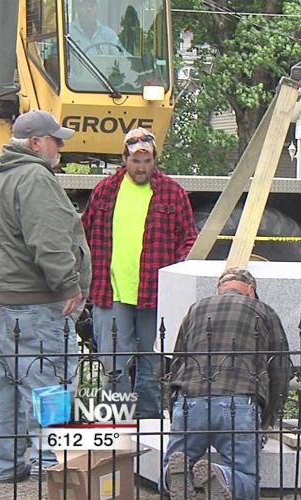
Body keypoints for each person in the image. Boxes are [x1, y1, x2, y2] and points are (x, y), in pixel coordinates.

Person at [0, 110, 90, 482]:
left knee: (5, 382)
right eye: (56, 140)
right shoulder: (35, 176)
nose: (61, 147)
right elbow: (50, 239)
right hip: (32, 300)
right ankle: (49, 464)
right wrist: (69, 284)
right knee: (50, 381)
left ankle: (5, 466)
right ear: (36, 143)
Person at [82, 127, 197, 418]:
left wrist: (178, 273)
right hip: (110, 294)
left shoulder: (172, 192)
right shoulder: (105, 190)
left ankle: (148, 432)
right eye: (136, 160)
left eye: (147, 160)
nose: (141, 166)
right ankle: (118, 431)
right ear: (125, 158)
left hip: (155, 295)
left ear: (155, 159)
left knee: (151, 367)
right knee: (114, 368)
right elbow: (82, 235)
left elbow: (189, 239)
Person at [162, 268, 292, 500]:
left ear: (219, 290)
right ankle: (222, 475)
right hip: (239, 401)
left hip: (190, 398)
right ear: (251, 290)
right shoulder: (263, 311)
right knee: (246, 476)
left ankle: (175, 477)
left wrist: (174, 408)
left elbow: (178, 362)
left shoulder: (196, 309)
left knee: (176, 462)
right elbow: (279, 368)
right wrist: (267, 419)